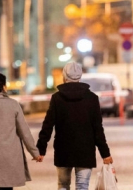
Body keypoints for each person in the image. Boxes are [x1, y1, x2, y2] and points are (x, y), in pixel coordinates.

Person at [36, 62, 113, 190]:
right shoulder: (92, 98)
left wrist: (40, 149)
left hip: (63, 150)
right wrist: (105, 154)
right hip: (85, 151)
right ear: (80, 76)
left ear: (64, 76)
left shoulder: (57, 98)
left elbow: (48, 125)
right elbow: (98, 129)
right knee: (82, 186)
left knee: (63, 185)